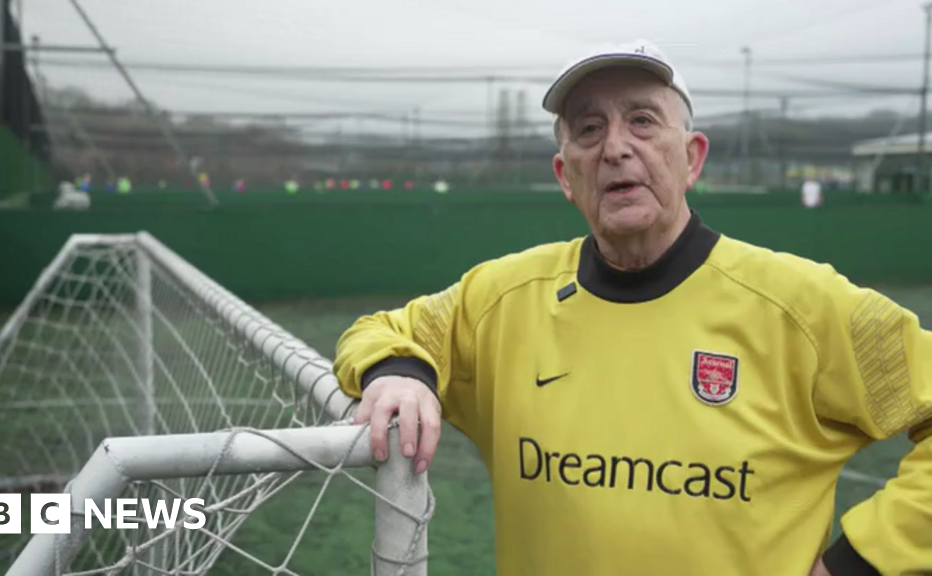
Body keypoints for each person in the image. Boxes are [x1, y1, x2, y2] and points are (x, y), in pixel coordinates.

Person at [332, 39, 932, 575]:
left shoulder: (803, 306)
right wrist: (401, 373)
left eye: (642, 122)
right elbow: (383, 331)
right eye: (588, 129)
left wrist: (861, 564)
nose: (615, 147)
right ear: (566, 175)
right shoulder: (501, 299)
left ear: (692, 157)